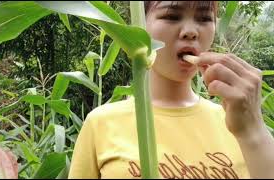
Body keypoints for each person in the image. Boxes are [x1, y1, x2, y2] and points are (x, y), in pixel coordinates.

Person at [68, 1, 274, 179]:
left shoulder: (239, 123)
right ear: (139, 26)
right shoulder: (101, 124)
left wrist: (253, 130)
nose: (191, 31)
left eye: (204, 18)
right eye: (172, 16)